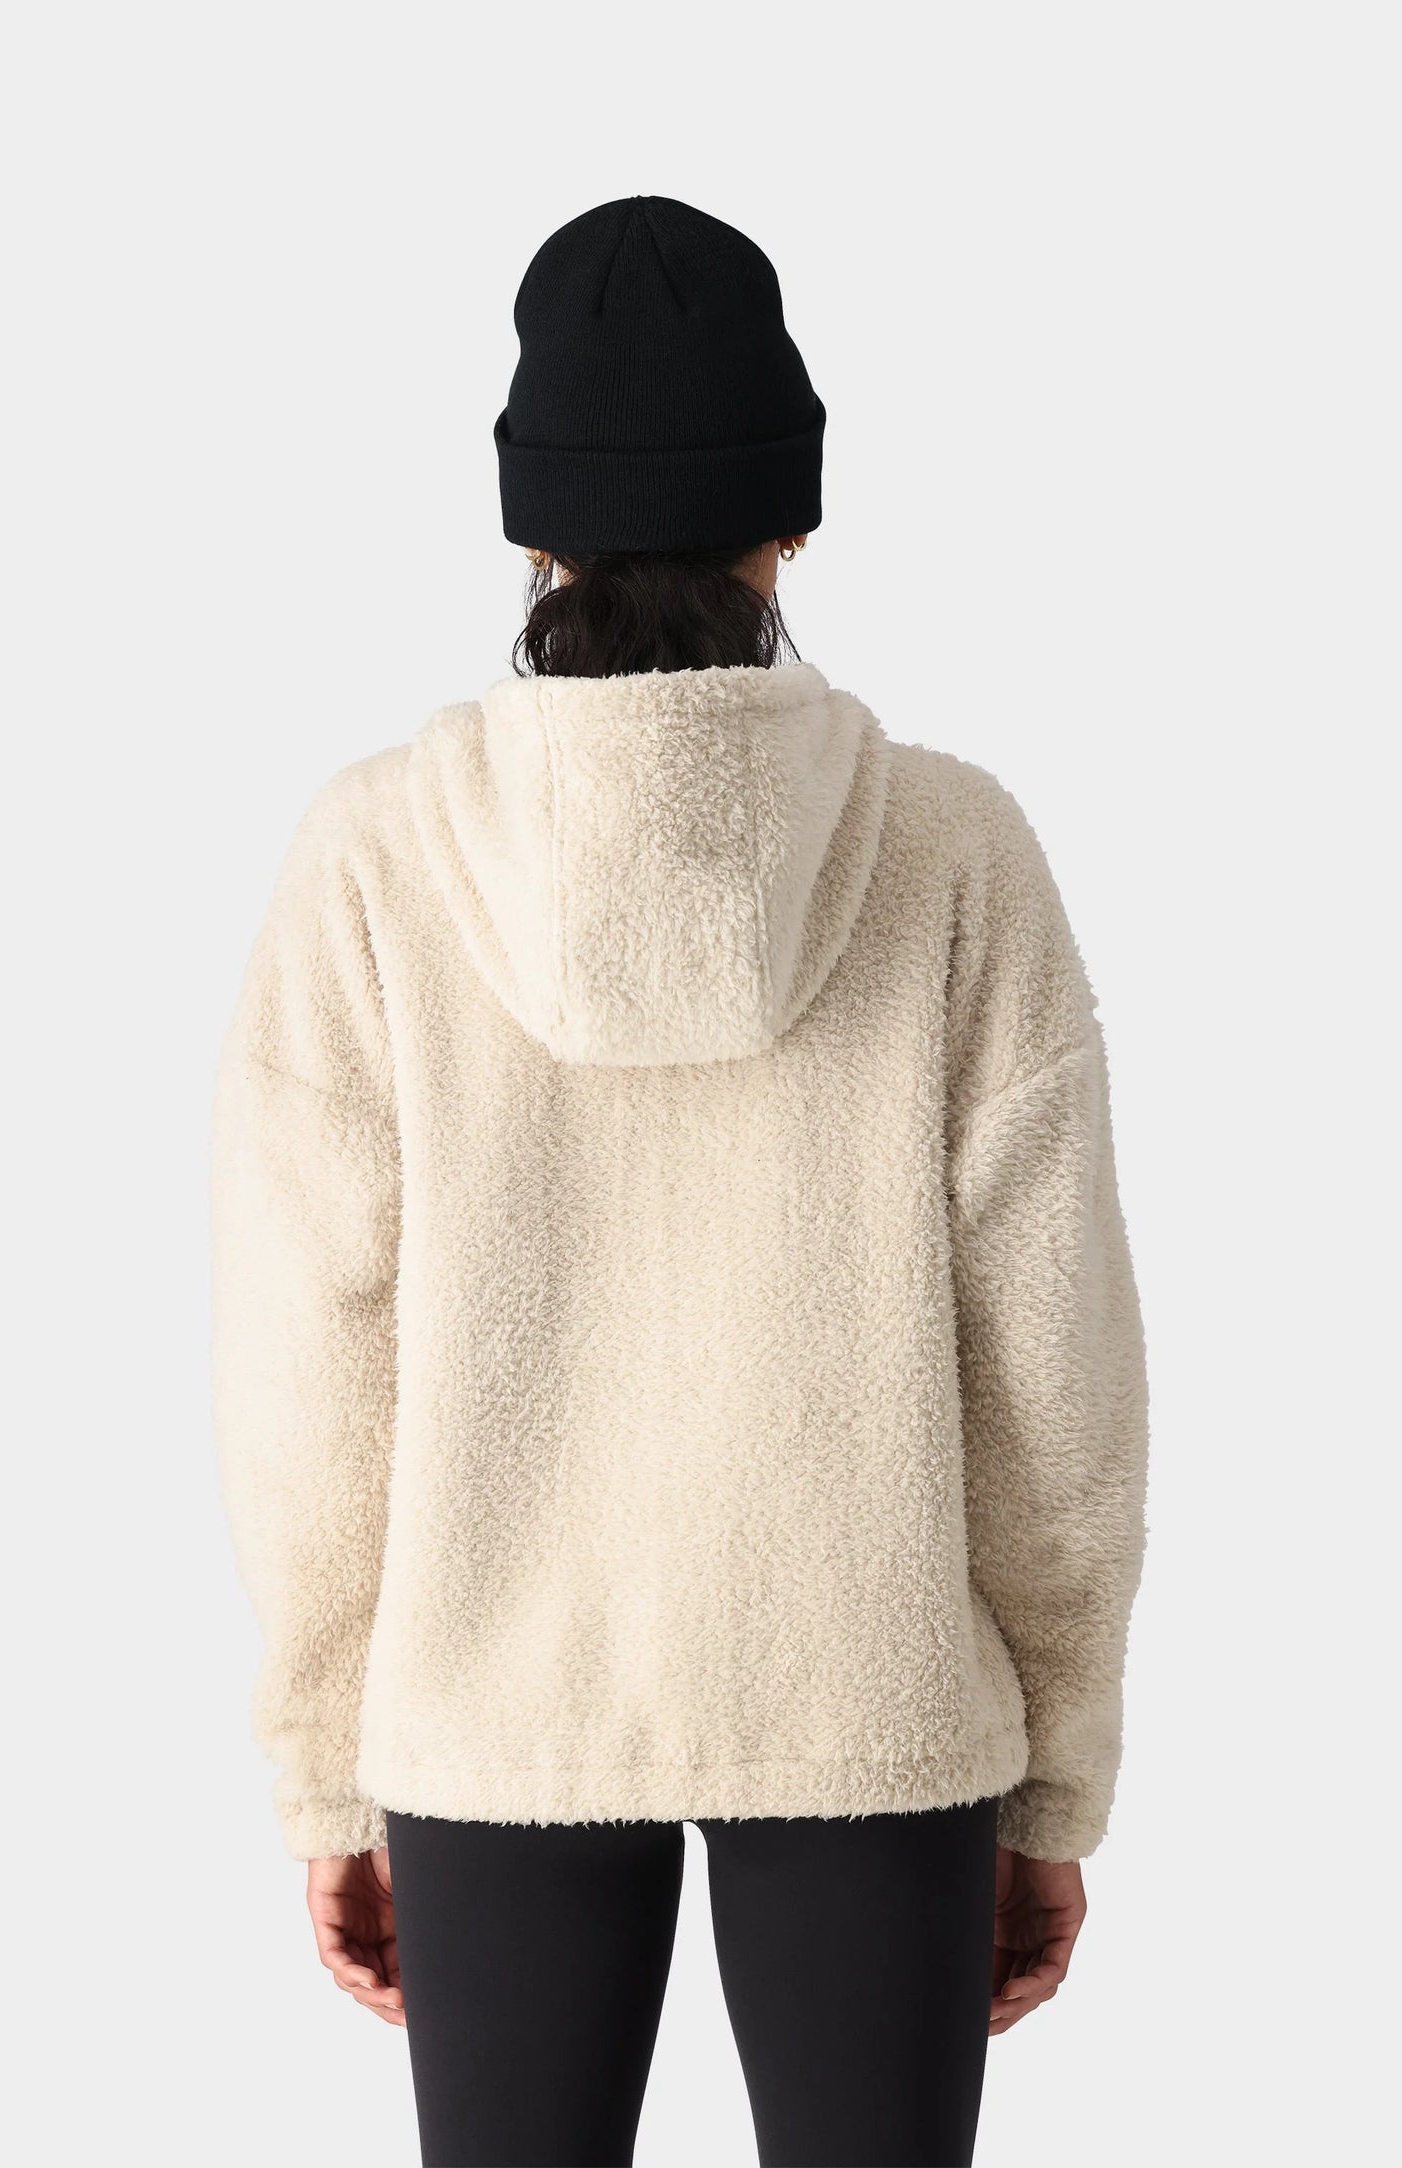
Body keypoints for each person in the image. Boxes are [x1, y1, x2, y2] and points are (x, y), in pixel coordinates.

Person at [213, 195, 1148, 2168]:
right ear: (790, 521)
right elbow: (1053, 1364)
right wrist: (1055, 1774)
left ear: (530, 533)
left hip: (492, 1705)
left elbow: (303, 1367)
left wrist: (328, 1767)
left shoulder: (373, 858)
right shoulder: (953, 852)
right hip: (876, 1699)